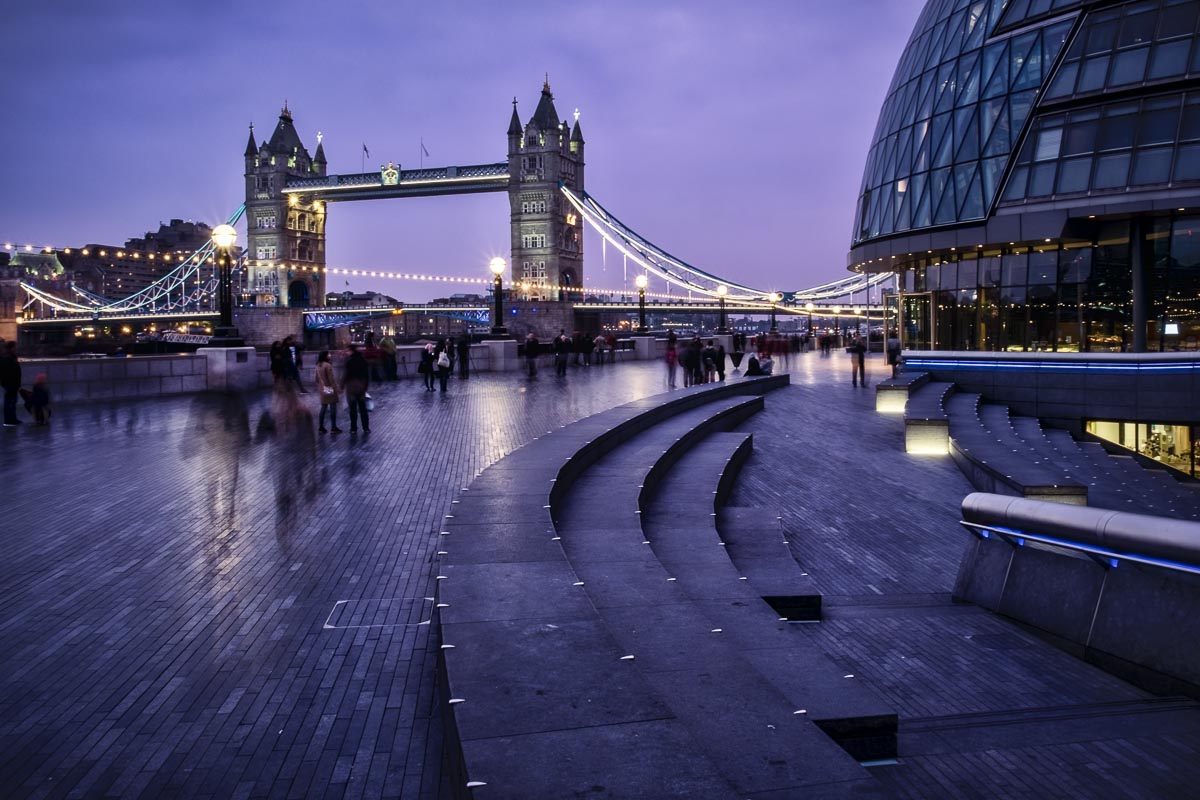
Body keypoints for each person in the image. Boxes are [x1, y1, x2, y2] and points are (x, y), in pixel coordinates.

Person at [342, 343, 370, 433]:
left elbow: (346, 375)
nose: (346, 353)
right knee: (363, 409)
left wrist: (341, 385)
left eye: (347, 351)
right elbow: (366, 375)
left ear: (351, 350)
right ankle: (366, 427)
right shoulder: (362, 360)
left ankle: (353, 428)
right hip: (361, 387)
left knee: (353, 410)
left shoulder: (349, 361)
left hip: (351, 388)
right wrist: (365, 386)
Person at [315, 350, 342, 433]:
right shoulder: (328, 365)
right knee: (333, 406)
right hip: (329, 388)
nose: (330, 355)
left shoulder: (318, 365)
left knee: (324, 407)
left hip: (322, 388)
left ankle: (321, 427)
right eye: (328, 354)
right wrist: (336, 389)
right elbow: (331, 380)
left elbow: (316, 379)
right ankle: (333, 427)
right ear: (325, 356)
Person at [1, 341, 20, 426]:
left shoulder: (11, 357)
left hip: (12, 384)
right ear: (11, 348)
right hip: (10, 384)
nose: (16, 348)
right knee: (10, 402)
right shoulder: (7, 358)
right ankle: (9, 421)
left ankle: (13, 419)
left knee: (12, 402)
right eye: (15, 346)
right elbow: (7, 373)